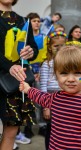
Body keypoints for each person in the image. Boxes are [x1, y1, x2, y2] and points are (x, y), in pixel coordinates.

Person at [19, 45, 81, 150]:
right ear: (56, 75)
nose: (70, 79)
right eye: (64, 73)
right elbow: (41, 97)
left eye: (77, 73)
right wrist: (28, 89)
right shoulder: (56, 97)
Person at [0, 0, 38, 150]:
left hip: (15, 82)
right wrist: (9, 66)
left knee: (11, 131)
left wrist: (30, 52)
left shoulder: (23, 20)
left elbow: (33, 47)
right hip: (9, 73)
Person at [40, 31, 67, 150]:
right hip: (51, 98)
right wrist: (46, 107)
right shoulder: (47, 64)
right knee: (51, 128)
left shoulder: (68, 62)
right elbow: (43, 86)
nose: (59, 48)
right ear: (50, 48)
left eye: (62, 45)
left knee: (65, 127)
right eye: (56, 46)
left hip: (66, 96)